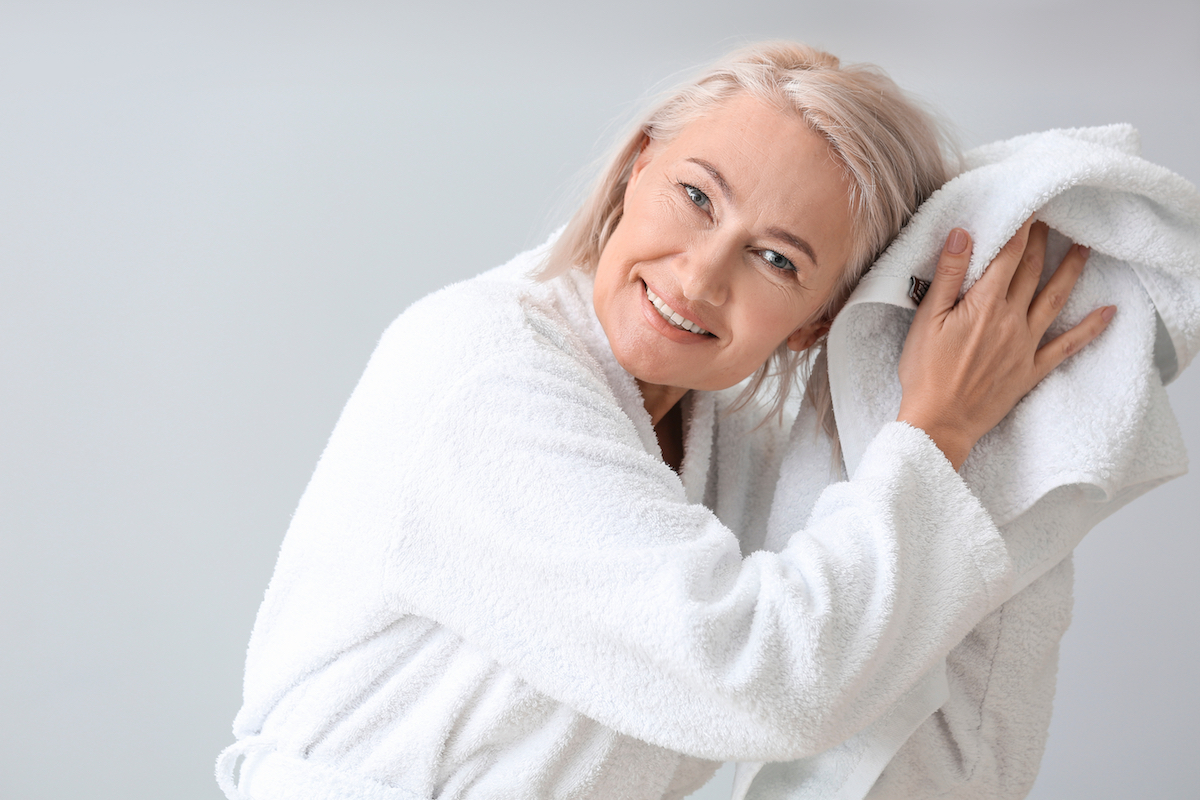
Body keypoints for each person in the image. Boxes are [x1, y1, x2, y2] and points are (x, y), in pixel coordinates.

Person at [217, 42, 1112, 800]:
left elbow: (879, 639)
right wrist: (936, 434)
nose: (698, 277)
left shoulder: (724, 437)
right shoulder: (482, 369)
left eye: (774, 257)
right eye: (696, 196)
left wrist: (1000, 443)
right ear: (640, 165)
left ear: (814, 323)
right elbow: (768, 681)